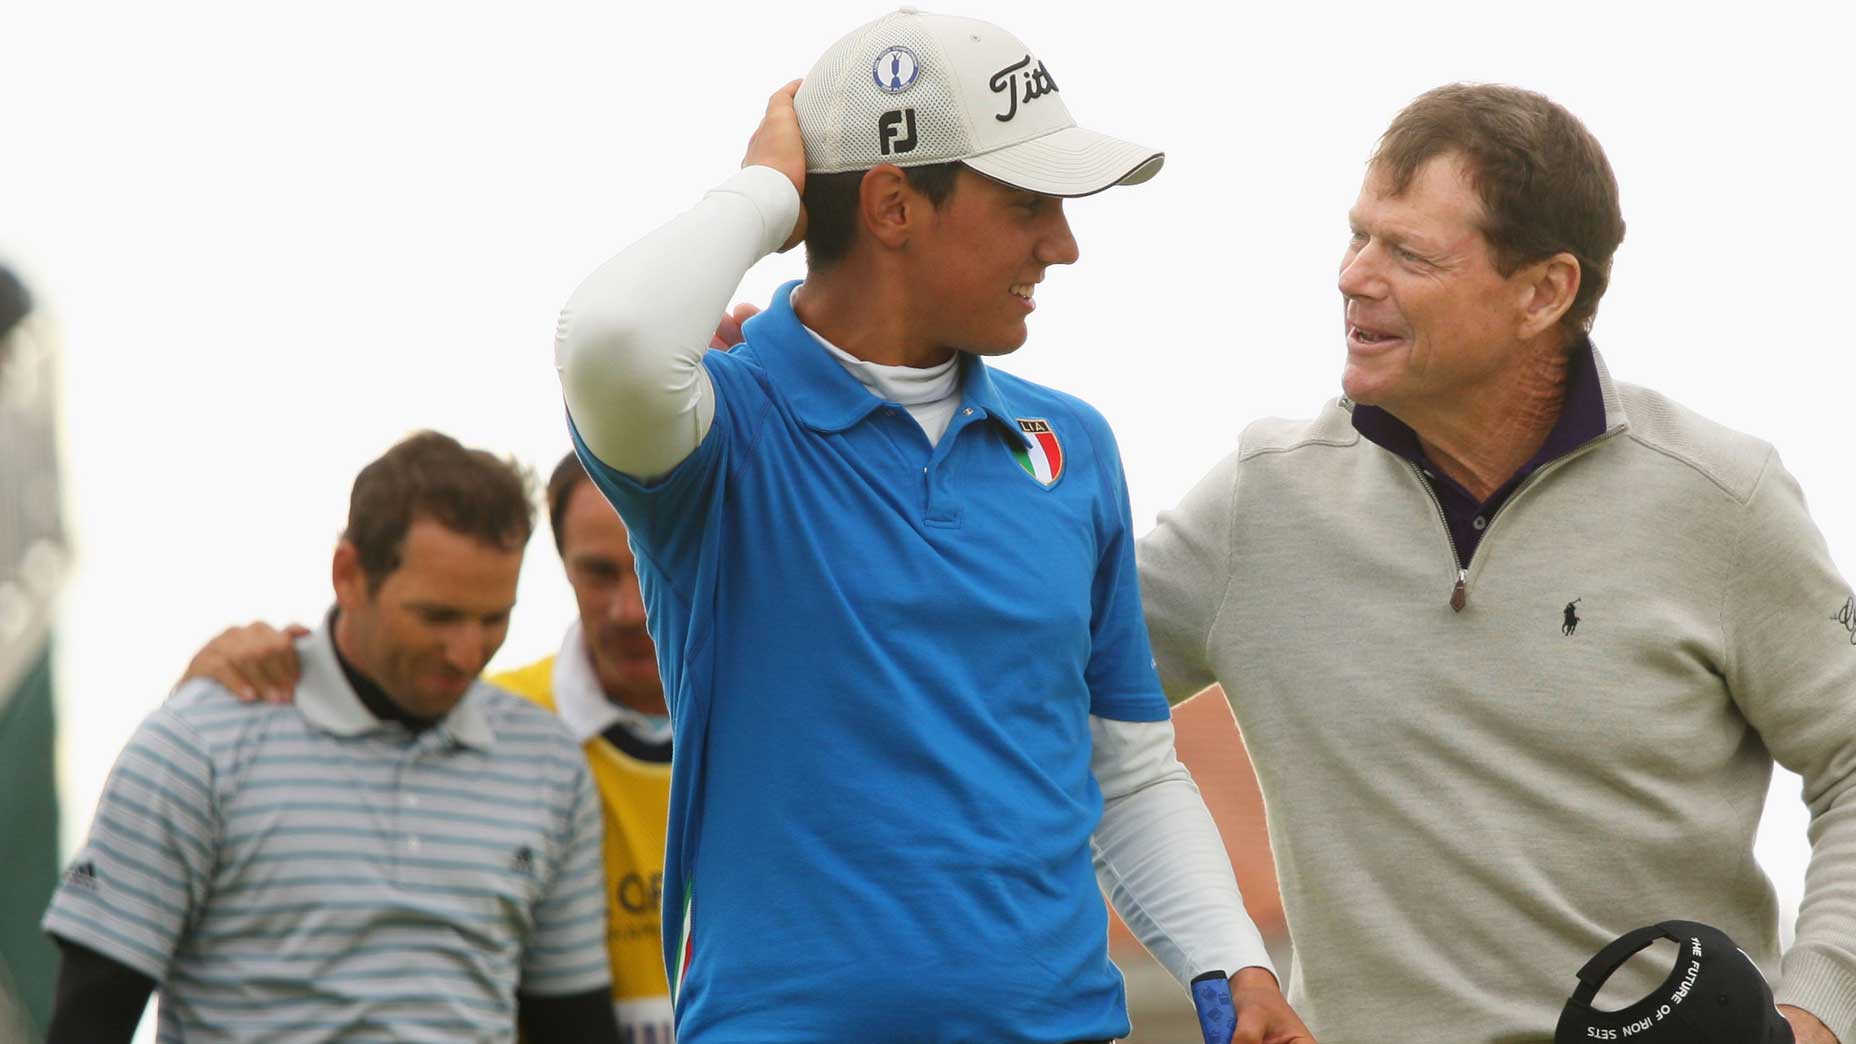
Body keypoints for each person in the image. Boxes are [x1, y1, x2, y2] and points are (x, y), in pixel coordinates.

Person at [552, 8, 1309, 1043]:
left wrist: (1234, 964)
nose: (1063, 244)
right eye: (1027, 204)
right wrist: (766, 190)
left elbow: (1124, 770)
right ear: (893, 205)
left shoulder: (1069, 445)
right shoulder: (721, 432)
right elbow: (613, 340)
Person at [1137, 83, 1855, 1043]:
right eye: (1358, 236)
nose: (1355, 276)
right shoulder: (1258, 503)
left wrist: (1817, 1010)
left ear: (1545, 292)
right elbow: (1036, 700)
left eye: (1409, 253)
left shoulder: (1723, 498)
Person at [41, 431, 621, 1043]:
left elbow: (574, 1027)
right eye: (438, 616)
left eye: (493, 618)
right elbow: (90, 1019)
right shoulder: (196, 747)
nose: (467, 652)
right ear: (348, 574)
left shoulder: (547, 763)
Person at [181, 450, 680, 1043]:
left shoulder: (795, 720)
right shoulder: (484, 725)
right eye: (598, 572)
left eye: (656, 565)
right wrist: (205, 697)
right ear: (562, 566)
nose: (631, 608)